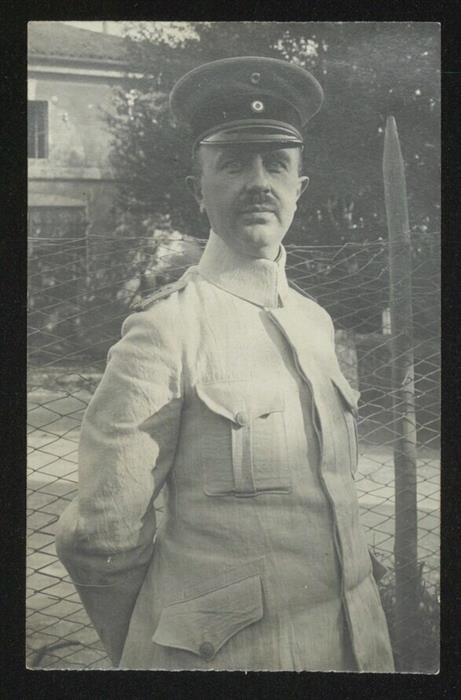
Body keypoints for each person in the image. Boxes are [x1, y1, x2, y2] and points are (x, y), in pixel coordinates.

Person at [56, 56, 394, 671]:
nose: (259, 182)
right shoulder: (166, 329)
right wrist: (149, 643)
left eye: (276, 164)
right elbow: (100, 535)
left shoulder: (316, 323)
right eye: (234, 164)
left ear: (299, 188)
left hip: (359, 654)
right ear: (199, 190)